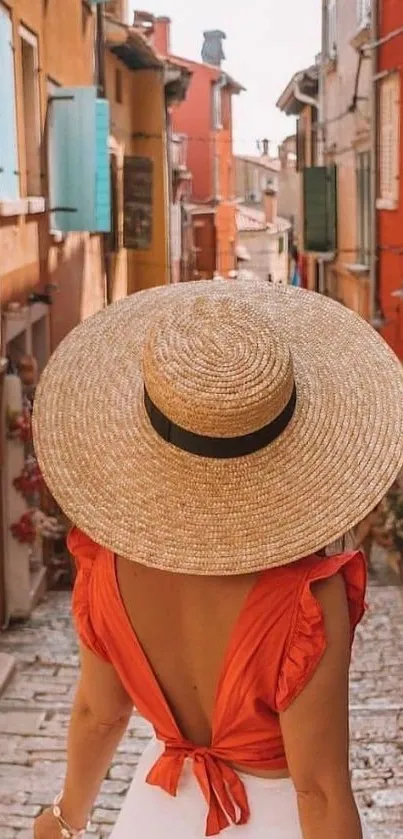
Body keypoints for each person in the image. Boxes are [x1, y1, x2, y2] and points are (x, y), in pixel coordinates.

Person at [32, 279, 403, 839]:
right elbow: (319, 789)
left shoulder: (105, 564)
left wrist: (64, 819)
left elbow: (100, 714)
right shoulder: (305, 597)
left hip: (153, 815)